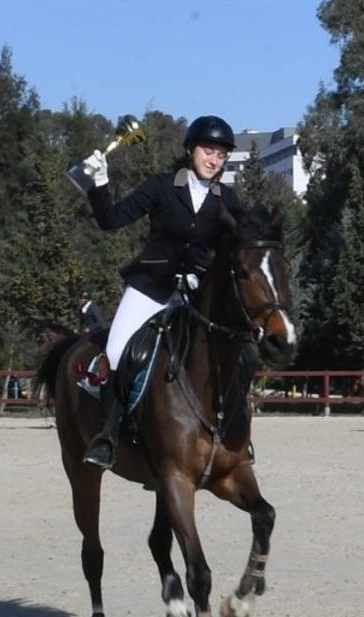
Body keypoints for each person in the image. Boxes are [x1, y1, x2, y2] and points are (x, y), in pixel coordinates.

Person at [75, 114, 245, 468]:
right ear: (190, 150)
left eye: (221, 154)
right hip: (150, 289)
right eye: (208, 151)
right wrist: (100, 182)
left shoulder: (228, 200)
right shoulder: (162, 187)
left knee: (237, 355)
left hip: (194, 298)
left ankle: (235, 433)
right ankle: (107, 436)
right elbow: (111, 220)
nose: (214, 160)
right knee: (119, 350)